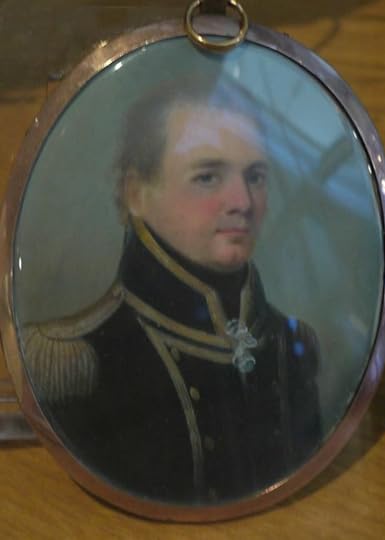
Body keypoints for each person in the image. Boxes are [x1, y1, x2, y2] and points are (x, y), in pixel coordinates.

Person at [24, 73, 322, 504]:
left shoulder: (291, 348)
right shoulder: (77, 361)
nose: (242, 202)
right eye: (208, 177)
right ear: (135, 193)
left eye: (255, 176)